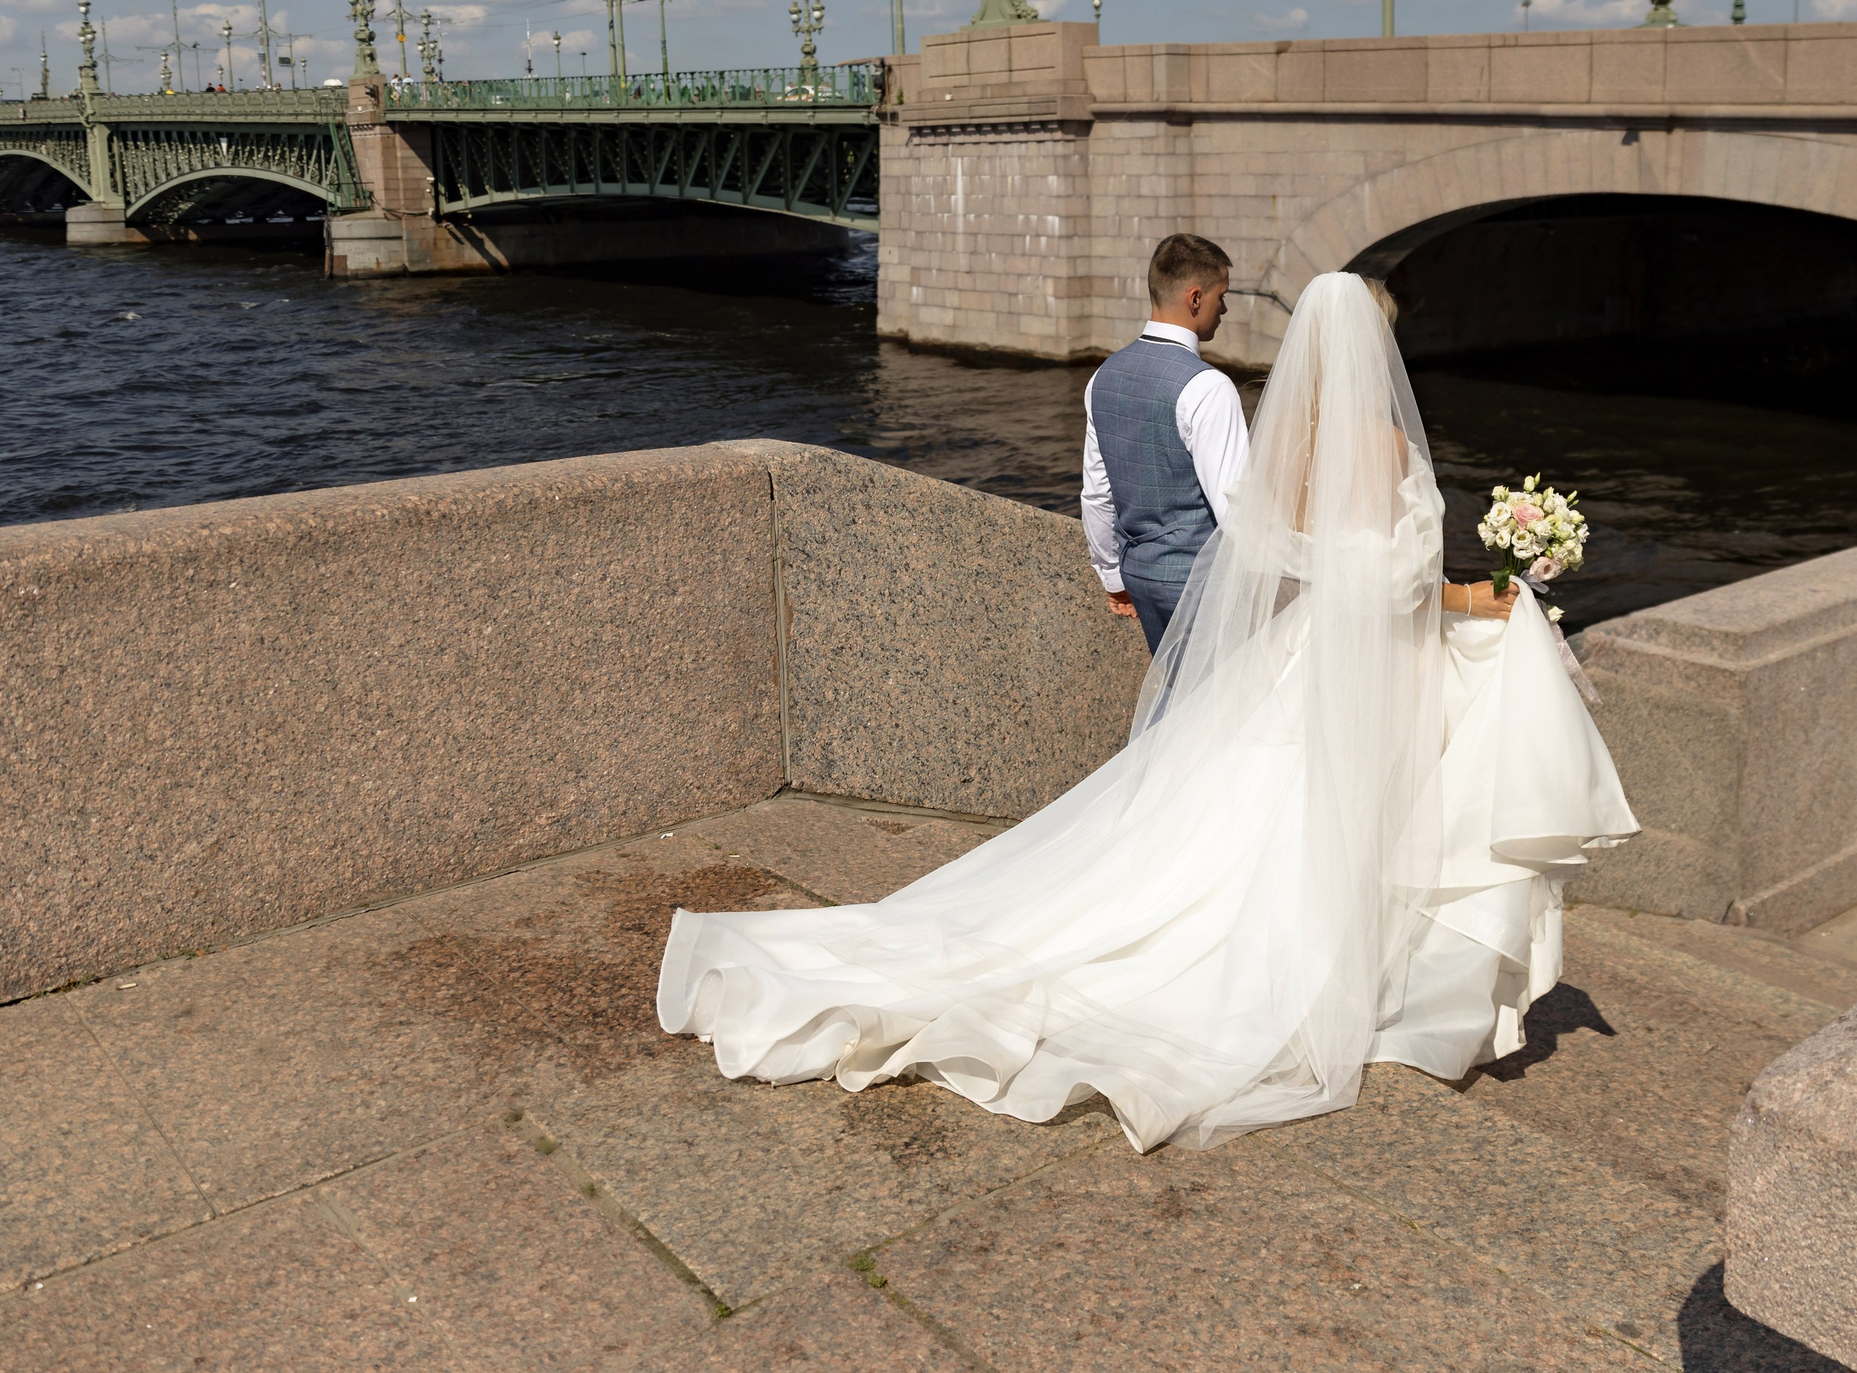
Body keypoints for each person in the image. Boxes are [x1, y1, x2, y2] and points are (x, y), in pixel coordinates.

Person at [658, 273, 1638, 1152]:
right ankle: (1339, 972)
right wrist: (1481, 593)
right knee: (1333, 818)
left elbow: (1284, 548)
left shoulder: (1288, 435)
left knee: (1232, 813)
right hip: (1360, 662)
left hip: (1295, 656)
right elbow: (1384, 586)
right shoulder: (1379, 440)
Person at [1080, 234, 1250, 652]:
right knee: (1216, 708)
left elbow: (1096, 495)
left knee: (1175, 703)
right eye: (1221, 296)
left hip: (1140, 577)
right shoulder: (1209, 387)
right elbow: (1237, 511)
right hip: (1201, 587)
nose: (1224, 309)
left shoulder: (1103, 376)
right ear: (1195, 298)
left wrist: (1113, 577)